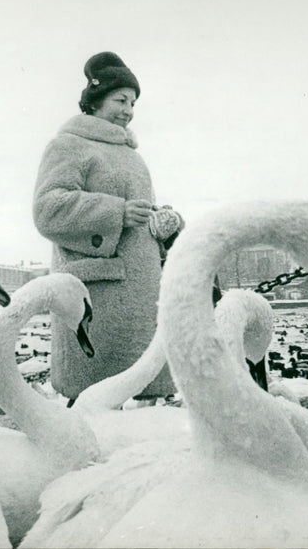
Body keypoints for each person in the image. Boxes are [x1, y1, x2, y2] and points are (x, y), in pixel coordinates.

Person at [33, 51, 184, 403]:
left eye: (132, 102)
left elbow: (138, 213)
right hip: (97, 292)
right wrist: (116, 212)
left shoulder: (133, 157)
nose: (128, 110)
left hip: (141, 288)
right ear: (96, 101)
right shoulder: (68, 144)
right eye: (120, 99)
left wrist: (163, 222)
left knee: (143, 393)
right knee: (95, 396)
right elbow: (47, 207)